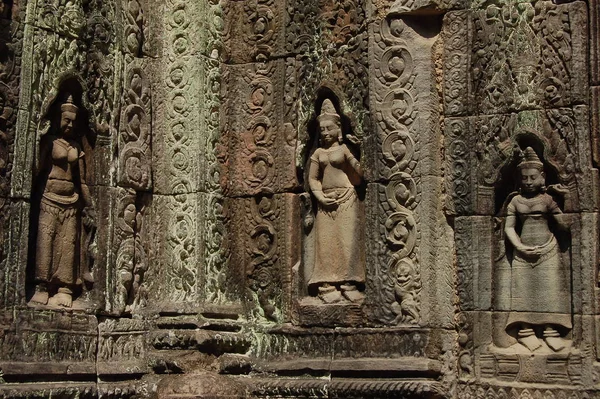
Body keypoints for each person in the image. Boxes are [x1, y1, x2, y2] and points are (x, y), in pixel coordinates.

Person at [29, 94, 95, 308]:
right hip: (49, 197)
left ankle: (65, 288)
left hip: (71, 200)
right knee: (46, 242)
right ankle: (41, 286)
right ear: (58, 119)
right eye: (66, 119)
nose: (70, 124)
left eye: (73, 121)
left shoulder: (76, 146)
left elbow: (82, 180)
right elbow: (37, 169)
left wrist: (90, 205)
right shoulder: (51, 142)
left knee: (68, 244)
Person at [504, 147, 571, 352]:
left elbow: (564, 226)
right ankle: (526, 330)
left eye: (533, 177)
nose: (528, 181)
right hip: (523, 253)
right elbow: (509, 228)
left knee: (550, 289)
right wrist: (520, 246)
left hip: (548, 249)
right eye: (524, 178)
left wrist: (565, 199)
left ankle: (551, 330)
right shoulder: (516, 201)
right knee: (523, 292)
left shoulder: (547, 200)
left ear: (542, 177)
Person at [307, 99, 365, 303]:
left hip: (347, 198)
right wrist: (320, 197)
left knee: (347, 242)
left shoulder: (344, 150)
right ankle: (327, 285)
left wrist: (361, 152)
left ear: (337, 128)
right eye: (321, 129)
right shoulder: (318, 153)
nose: (324, 132)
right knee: (326, 244)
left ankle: (349, 282)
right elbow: (312, 178)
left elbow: (359, 174)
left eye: (328, 128)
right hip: (325, 203)